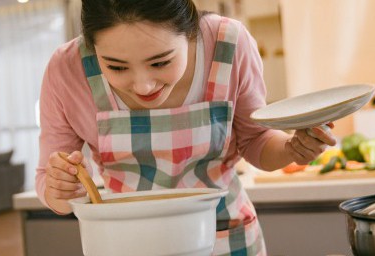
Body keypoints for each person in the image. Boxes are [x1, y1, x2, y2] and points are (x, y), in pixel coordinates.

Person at [36, 0, 336, 255]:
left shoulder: (227, 44)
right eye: (116, 67)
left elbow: (256, 142)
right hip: (128, 244)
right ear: (90, 44)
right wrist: (61, 188)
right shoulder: (67, 69)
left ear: (191, 33)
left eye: (160, 62)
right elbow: (49, 182)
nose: (143, 85)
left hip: (223, 238)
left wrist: (291, 149)